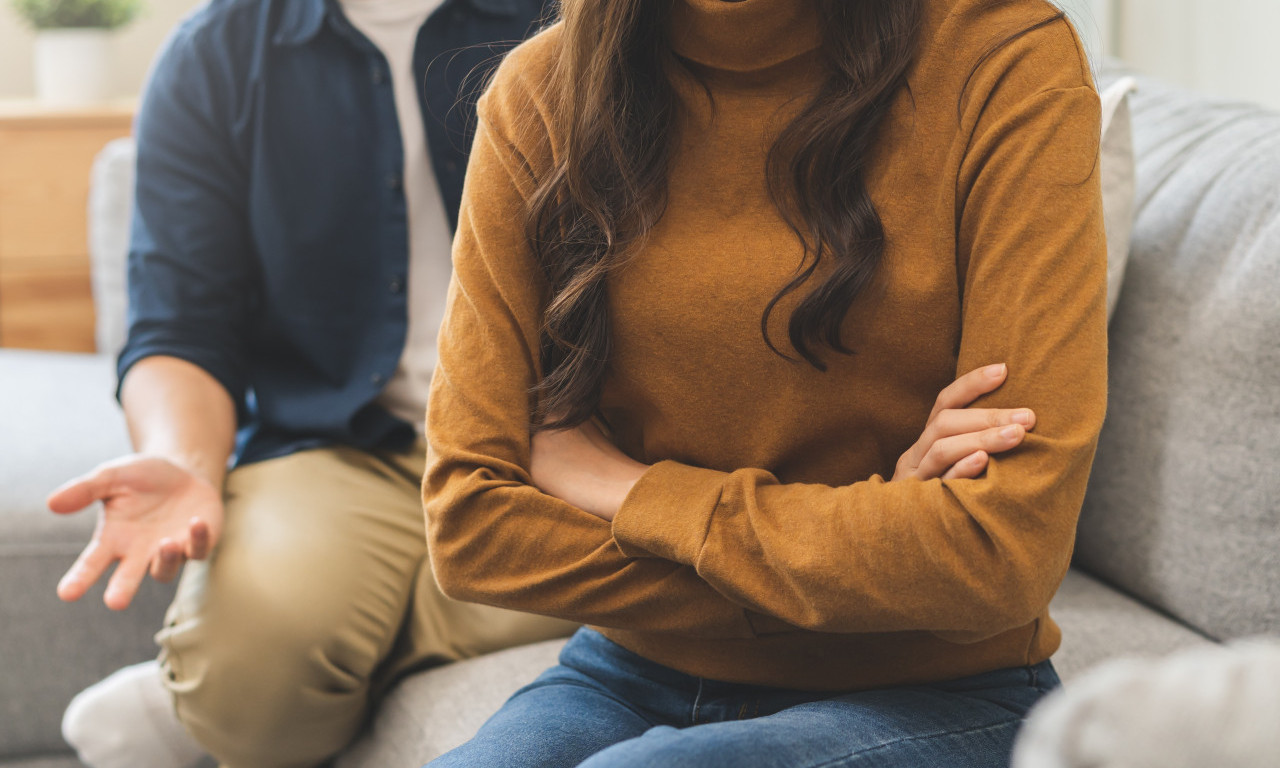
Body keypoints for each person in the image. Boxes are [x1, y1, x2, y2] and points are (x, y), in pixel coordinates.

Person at [421, 0, 1108, 765]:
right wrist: (873, 540)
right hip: (630, 671)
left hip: (945, 690)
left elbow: (1001, 556)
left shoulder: (1005, 59)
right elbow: (473, 526)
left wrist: (628, 489)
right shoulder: (543, 92)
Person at [46, 1, 576, 767]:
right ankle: (265, 674)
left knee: (640, 595)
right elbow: (180, 326)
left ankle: (243, 689)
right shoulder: (215, 52)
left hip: (549, 446)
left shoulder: (576, 21)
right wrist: (184, 462)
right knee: (243, 680)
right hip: (334, 447)